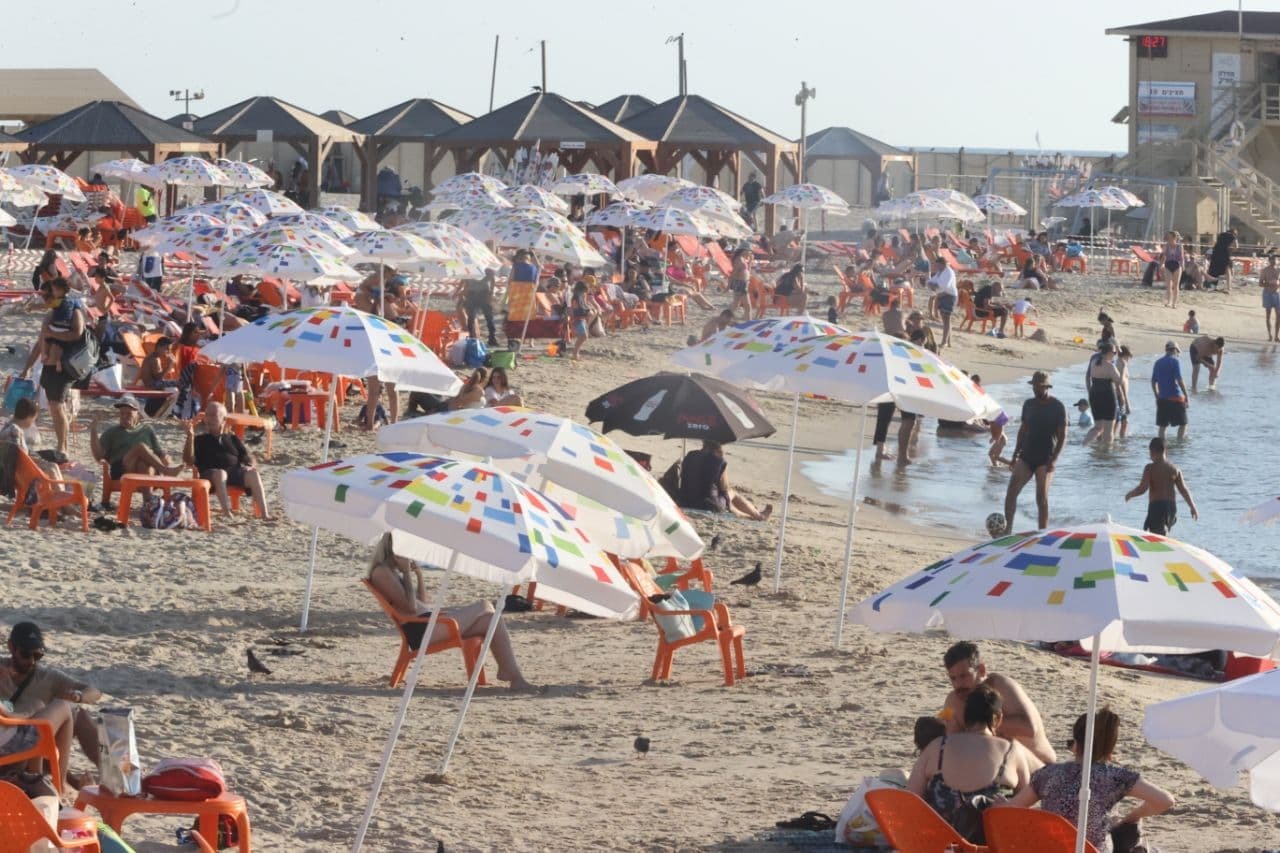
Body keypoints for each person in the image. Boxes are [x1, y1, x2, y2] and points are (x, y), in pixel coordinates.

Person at [366, 533, 535, 691]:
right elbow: (410, 608)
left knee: (491, 619)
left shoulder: (391, 571)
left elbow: (422, 602)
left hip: (429, 622)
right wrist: (406, 574)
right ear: (394, 548)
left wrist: (418, 575)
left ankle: (513, 676)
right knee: (485, 605)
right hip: (422, 631)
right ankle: (511, 674)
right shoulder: (381, 572)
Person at [1005, 708, 1175, 853]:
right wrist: (1131, 817)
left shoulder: (1048, 774)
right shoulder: (1115, 776)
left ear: (1076, 745)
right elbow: (1165, 800)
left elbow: (1012, 809)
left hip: (1052, 848)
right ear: (1110, 750)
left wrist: (1002, 804)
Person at [908, 684, 1039, 844]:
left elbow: (910, 800)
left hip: (940, 844)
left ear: (965, 716)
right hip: (992, 845)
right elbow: (1026, 808)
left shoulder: (937, 747)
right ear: (998, 718)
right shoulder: (1011, 751)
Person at [0, 622, 104, 788]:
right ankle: (61, 785)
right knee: (48, 710)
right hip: (12, 747)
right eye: (26, 654)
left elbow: (94, 692)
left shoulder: (47, 677)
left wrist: (78, 696)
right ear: (11, 647)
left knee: (78, 714)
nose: (32, 661)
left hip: (33, 742)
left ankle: (109, 772)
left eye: (37, 656)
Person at [940, 642, 1056, 764]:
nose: (958, 684)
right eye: (953, 678)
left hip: (1041, 766)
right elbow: (949, 742)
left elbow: (1029, 728)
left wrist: (981, 721)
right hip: (996, 768)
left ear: (981, 670)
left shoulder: (1000, 686)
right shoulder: (954, 700)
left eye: (964, 675)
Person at [19, 277, 90, 456]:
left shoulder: (73, 310)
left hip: (64, 367)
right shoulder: (52, 314)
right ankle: (61, 446)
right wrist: (27, 367)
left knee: (57, 407)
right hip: (49, 366)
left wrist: (52, 335)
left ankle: (62, 448)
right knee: (55, 407)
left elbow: (77, 334)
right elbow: (40, 342)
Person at [1003, 371, 1067, 533]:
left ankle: (1042, 534)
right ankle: (1007, 531)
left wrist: (1054, 459)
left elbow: (1062, 436)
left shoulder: (1058, 407)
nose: (1035, 389)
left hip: (1046, 459)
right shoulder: (1028, 404)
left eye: (1039, 387)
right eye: (1034, 386)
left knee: (1041, 498)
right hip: (1026, 456)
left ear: (1047, 387)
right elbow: (1023, 430)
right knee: (1011, 491)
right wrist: (1015, 454)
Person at [182, 402, 270, 519]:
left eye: (213, 415)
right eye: (207, 415)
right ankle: (227, 512)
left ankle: (264, 514)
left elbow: (247, 456)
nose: (209, 419)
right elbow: (188, 461)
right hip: (211, 474)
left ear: (224, 420)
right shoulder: (200, 440)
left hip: (234, 473)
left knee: (253, 474)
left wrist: (250, 465)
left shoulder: (232, 438)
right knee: (221, 473)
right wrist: (190, 437)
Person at [90, 395, 184, 484]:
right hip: (121, 468)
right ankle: (165, 471)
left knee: (143, 466)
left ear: (138, 415)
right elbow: (99, 457)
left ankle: (147, 495)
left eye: (128, 414)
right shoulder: (112, 432)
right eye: (122, 413)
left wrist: (166, 458)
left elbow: (159, 453)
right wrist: (93, 430)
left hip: (143, 469)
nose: (124, 417)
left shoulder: (147, 430)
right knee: (140, 447)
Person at [675, 440, 772, 521]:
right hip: (708, 505)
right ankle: (759, 516)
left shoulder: (690, 455)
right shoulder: (719, 461)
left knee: (725, 498)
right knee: (732, 493)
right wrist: (730, 505)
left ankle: (750, 512)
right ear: (718, 448)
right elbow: (725, 488)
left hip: (685, 501)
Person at [1125, 437, 1198, 536]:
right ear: (1165, 451)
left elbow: (1143, 488)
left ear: (1152, 451)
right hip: (1171, 508)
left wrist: (1130, 494)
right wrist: (1192, 506)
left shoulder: (1150, 468)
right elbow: (1183, 490)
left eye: (1150, 452)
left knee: (1157, 536)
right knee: (1162, 532)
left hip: (1157, 507)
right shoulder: (1175, 469)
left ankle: (1166, 541)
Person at [1083, 343, 1127, 445]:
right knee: (1108, 430)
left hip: (1094, 394)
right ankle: (1107, 452)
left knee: (1097, 427)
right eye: (1114, 352)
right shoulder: (1110, 366)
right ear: (1108, 353)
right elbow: (1120, 382)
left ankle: (1084, 444)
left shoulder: (1094, 362)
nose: (1115, 354)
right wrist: (1123, 368)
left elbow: (1088, 376)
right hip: (1107, 396)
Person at [1151, 341, 1189, 441]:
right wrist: (1186, 395)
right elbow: (1179, 380)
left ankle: (1161, 445)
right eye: (1177, 352)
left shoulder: (1158, 362)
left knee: (1162, 426)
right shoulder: (1175, 361)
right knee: (1183, 424)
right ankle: (1179, 443)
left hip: (1162, 399)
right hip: (1176, 398)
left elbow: (1153, 381)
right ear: (1175, 350)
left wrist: (1157, 396)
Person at [462, 269, 499, 347]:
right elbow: (465, 282)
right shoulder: (469, 269)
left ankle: (491, 338)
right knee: (472, 318)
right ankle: (473, 338)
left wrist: (491, 293)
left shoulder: (483, 269)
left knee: (487, 317)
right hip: (474, 294)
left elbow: (492, 279)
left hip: (481, 294)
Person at [926, 257, 957, 347]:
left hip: (949, 296)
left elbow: (944, 286)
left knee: (946, 319)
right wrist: (932, 285)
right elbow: (930, 282)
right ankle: (948, 342)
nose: (936, 267)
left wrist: (934, 286)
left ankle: (944, 342)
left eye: (938, 265)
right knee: (945, 319)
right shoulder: (940, 272)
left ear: (942, 264)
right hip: (942, 295)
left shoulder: (948, 272)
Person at [568, 280, 596, 360]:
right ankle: (575, 354)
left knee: (583, 337)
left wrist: (588, 310)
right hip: (578, 319)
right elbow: (578, 308)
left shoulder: (579, 296)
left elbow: (582, 306)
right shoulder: (577, 297)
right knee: (583, 336)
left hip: (580, 318)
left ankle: (576, 353)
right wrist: (587, 312)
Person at [1159, 231, 1184, 309]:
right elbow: (1164, 256)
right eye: (1168, 237)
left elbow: (1181, 257)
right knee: (1168, 285)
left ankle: (1174, 303)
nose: (1168, 238)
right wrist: (1161, 265)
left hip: (1177, 266)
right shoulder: (1166, 246)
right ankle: (1169, 302)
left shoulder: (1179, 246)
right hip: (1168, 265)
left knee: (1176, 285)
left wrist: (1183, 266)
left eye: (1170, 237)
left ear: (1174, 238)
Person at [727, 249, 752, 321]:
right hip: (740, 283)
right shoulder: (739, 259)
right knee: (747, 306)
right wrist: (728, 285)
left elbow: (747, 271)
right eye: (749, 251)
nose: (750, 253)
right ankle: (748, 321)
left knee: (736, 304)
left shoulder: (743, 259)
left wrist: (750, 261)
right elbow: (734, 272)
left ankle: (725, 317)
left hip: (743, 283)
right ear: (743, 250)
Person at [1261, 254, 1280, 341]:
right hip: (1267, 294)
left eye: (1275, 259)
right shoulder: (1265, 270)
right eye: (1272, 259)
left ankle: (1276, 336)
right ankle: (1270, 335)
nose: (1274, 261)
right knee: (1268, 315)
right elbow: (1260, 283)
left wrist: (1277, 283)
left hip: (1277, 294)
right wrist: (1269, 283)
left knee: (1278, 315)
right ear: (1269, 260)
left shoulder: (1278, 270)